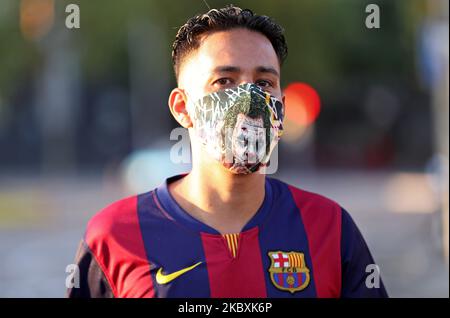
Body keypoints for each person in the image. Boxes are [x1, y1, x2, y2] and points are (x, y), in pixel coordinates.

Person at [68, 5, 388, 298]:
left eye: (264, 82)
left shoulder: (329, 227)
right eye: (224, 81)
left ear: (281, 107)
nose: (249, 98)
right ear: (182, 108)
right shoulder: (112, 237)